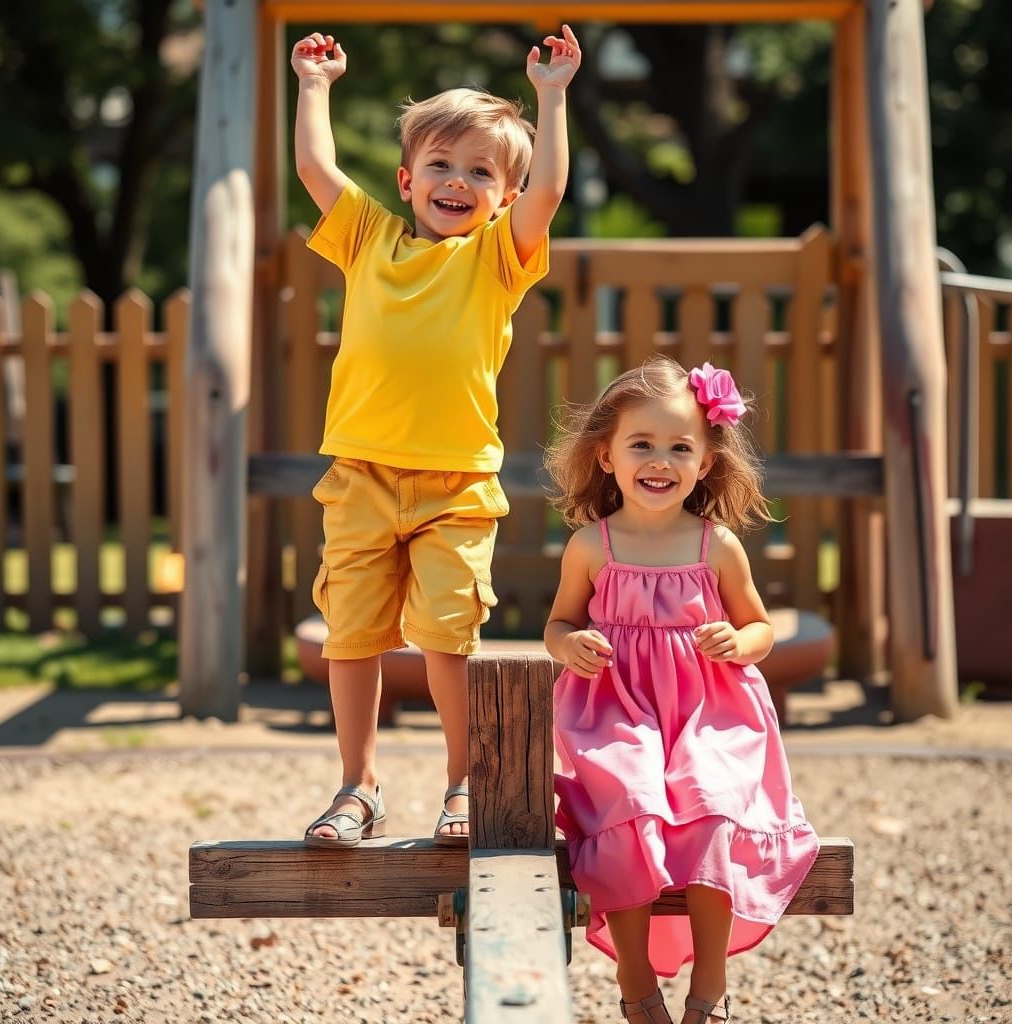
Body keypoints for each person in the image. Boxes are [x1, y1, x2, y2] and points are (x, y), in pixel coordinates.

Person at [290, 26, 581, 848]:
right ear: (407, 179)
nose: (459, 182)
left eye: (482, 172)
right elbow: (315, 169)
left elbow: (551, 190)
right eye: (443, 166)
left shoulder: (498, 257)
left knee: (447, 635)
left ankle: (463, 782)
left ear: (502, 196)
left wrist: (552, 98)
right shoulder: (369, 238)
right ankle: (358, 785)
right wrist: (316, 85)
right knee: (351, 635)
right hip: (362, 477)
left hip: (454, 488)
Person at [543, 356, 820, 1024]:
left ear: (705, 462)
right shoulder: (592, 547)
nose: (659, 460)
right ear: (606, 456)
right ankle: (637, 989)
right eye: (641, 444)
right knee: (630, 804)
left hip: (707, 712)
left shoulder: (716, 545)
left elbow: (760, 627)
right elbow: (557, 623)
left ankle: (710, 989)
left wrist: (740, 641)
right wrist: (569, 645)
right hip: (617, 710)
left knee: (714, 805)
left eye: (679, 447)